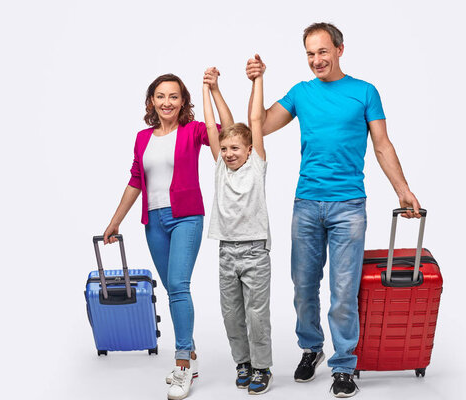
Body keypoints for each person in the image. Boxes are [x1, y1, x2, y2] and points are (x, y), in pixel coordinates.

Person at [245, 22, 422, 397]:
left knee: (344, 290)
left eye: (322, 51)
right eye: (310, 54)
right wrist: (257, 80)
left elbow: (382, 145)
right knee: (303, 286)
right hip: (306, 204)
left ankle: (344, 365)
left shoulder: (365, 92)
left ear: (340, 49)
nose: (316, 60)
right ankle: (311, 348)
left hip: (348, 207)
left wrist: (403, 190)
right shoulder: (300, 93)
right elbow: (257, 125)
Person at [102, 73, 233, 400]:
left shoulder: (193, 131)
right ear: (151, 102)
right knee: (174, 289)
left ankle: (183, 364)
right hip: (154, 222)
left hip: (186, 217)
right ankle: (192, 356)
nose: (167, 102)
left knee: (178, 286)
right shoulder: (142, 137)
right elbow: (135, 180)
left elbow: (228, 131)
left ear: (183, 102)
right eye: (160, 96)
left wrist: (214, 91)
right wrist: (115, 221)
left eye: (174, 96)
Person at [203, 67, 273, 395]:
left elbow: (254, 122)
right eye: (225, 148)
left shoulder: (256, 166)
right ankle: (242, 362)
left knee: (256, 315)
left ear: (248, 150)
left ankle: (261, 367)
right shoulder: (221, 168)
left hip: (255, 250)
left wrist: (258, 80)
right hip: (226, 251)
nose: (230, 153)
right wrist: (211, 89)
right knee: (231, 314)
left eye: (236, 149)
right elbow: (214, 123)